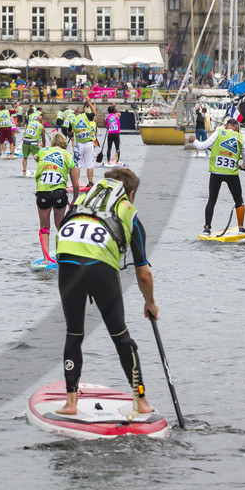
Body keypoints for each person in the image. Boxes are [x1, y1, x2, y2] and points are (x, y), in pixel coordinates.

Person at [53, 167, 157, 420]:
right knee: (121, 336)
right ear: (130, 194)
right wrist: (150, 303)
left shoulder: (81, 201)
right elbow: (143, 273)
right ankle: (140, 400)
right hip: (99, 267)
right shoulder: (128, 211)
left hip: (67, 262)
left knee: (74, 333)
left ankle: (70, 402)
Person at [192, 116, 245, 235]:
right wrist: (242, 166)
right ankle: (241, 227)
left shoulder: (219, 132)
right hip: (231, 174)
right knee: (239, 201)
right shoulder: (240, 138)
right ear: (236, 127)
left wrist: (193, 140)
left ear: (227, 126)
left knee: (212, 200)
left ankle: (207, 228)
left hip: (216, 173)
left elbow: (201, 146)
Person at [34, 132, 75, 264]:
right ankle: (62, 256)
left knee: (44, 227)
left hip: (43, 192)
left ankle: (46, 260)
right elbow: (75, 184)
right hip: (59, 193)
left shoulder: (43, 151)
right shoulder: (69, 156)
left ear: (53, 143)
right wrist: (74, 200)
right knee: (60, 226)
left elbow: (35, 156)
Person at [71, 107, 100, 191]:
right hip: (89, 144)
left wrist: (73, 131)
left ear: (76, 112)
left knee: (77, 165)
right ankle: (90, 182)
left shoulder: (73, 120)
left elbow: (69, 132)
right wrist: (90, 103)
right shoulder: (86, 116)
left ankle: (75, 182)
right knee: (89, 164)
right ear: (83, 112)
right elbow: (95, 112)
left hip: (79, 145)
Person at [20, 110, 45, 178]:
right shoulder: (41, 126)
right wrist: (44, 147)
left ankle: (24, 172)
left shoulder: (30, 123)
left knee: (25, 157)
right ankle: (41, 171)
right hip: (33, 142)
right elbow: (43, 138)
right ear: (41, 121)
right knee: (38, 157)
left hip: (25, 140)